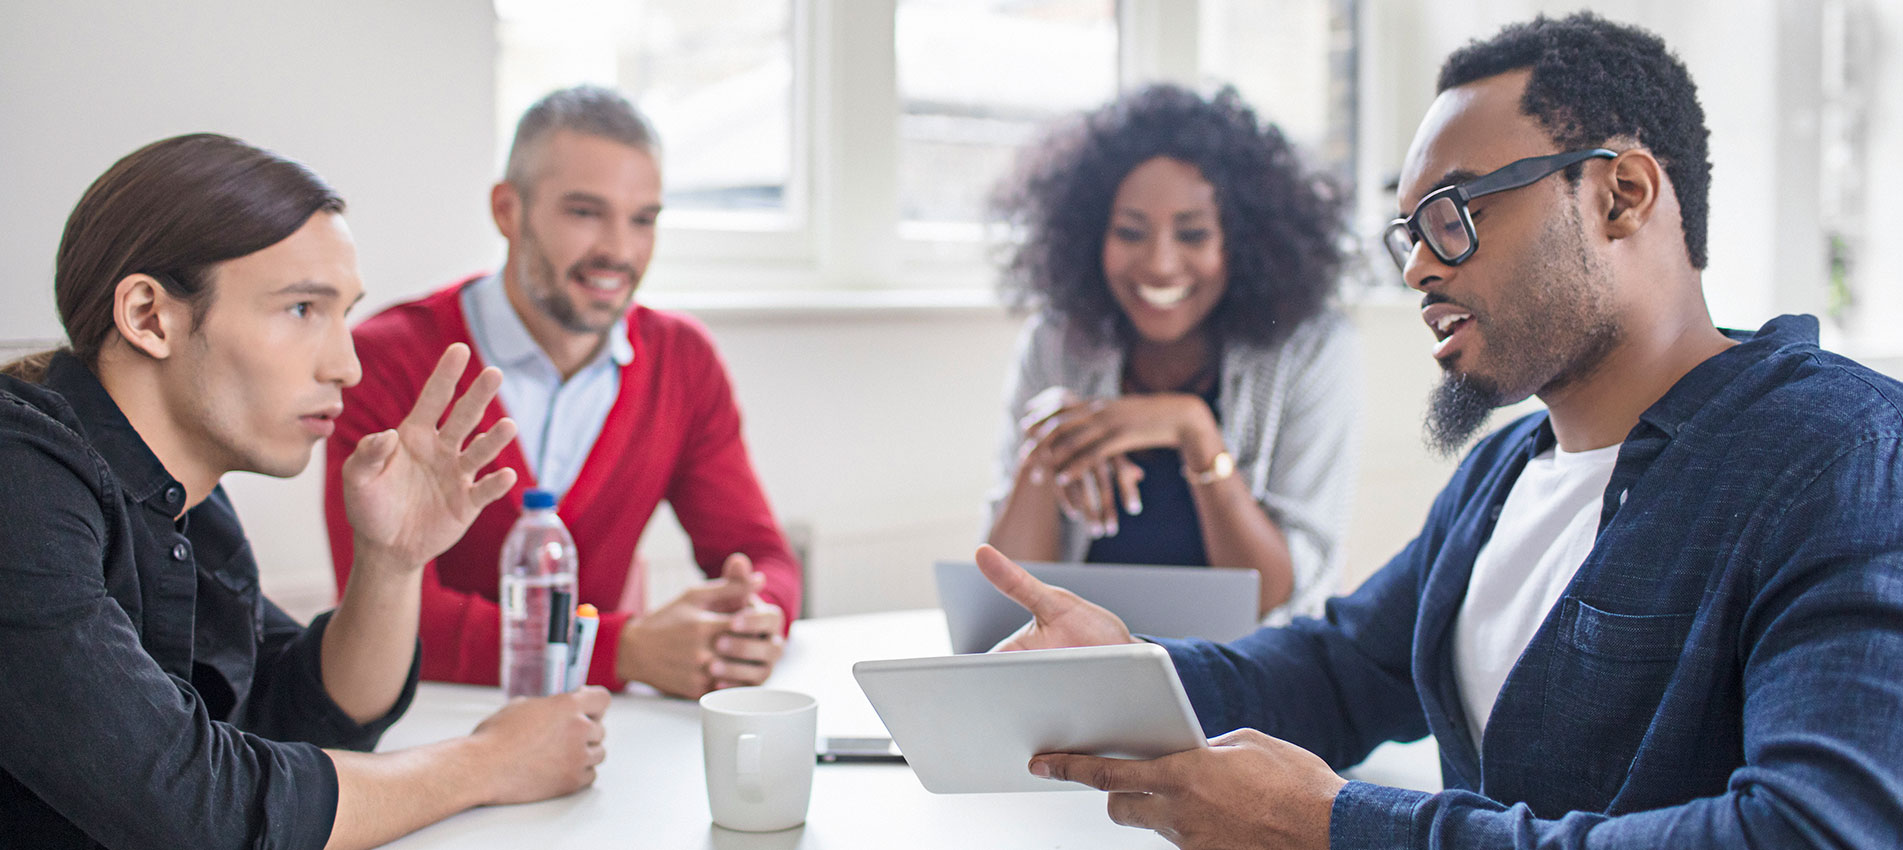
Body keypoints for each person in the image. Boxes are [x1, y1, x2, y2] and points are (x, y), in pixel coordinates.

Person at [974, 13, 1903, 848]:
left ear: (1620, 194)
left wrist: (1334, 828)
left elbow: (1814, 829)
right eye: (1407, 233)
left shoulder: (1844, 455)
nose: (1417, 267)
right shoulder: (1503, 472)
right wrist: (1125, 671)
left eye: (1453, 214)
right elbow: (1338, 670)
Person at [0, 134, 611, 850]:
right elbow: (193, 809)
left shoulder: (185, 499)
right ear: (149, 316)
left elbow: (301, 720)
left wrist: (391, 562)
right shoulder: (19, 478)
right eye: (300, 310)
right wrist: (490, 763)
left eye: (344, 313)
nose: (347, 366)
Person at [324, 85, 799, 700]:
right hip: (430, 719)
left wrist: (752, 617)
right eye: (584, 212)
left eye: (643, 220)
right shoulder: (387, 359)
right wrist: (621, 650)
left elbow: (761, 555)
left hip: (595, 724)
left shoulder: (683, 360)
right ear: (508, 211)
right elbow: (380, 621)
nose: (619, 251)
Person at [986, 84, 1360, 622]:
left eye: (1193, 234)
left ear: (1242, 242)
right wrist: (1045, 452)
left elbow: (1273, 599)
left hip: (1246, 666)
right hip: (1089, 663)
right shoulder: (1057, 342)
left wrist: (1194, 430)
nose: (1160, 264)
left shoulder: (1313, 349)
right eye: (1130, 232)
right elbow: (1007, 602)